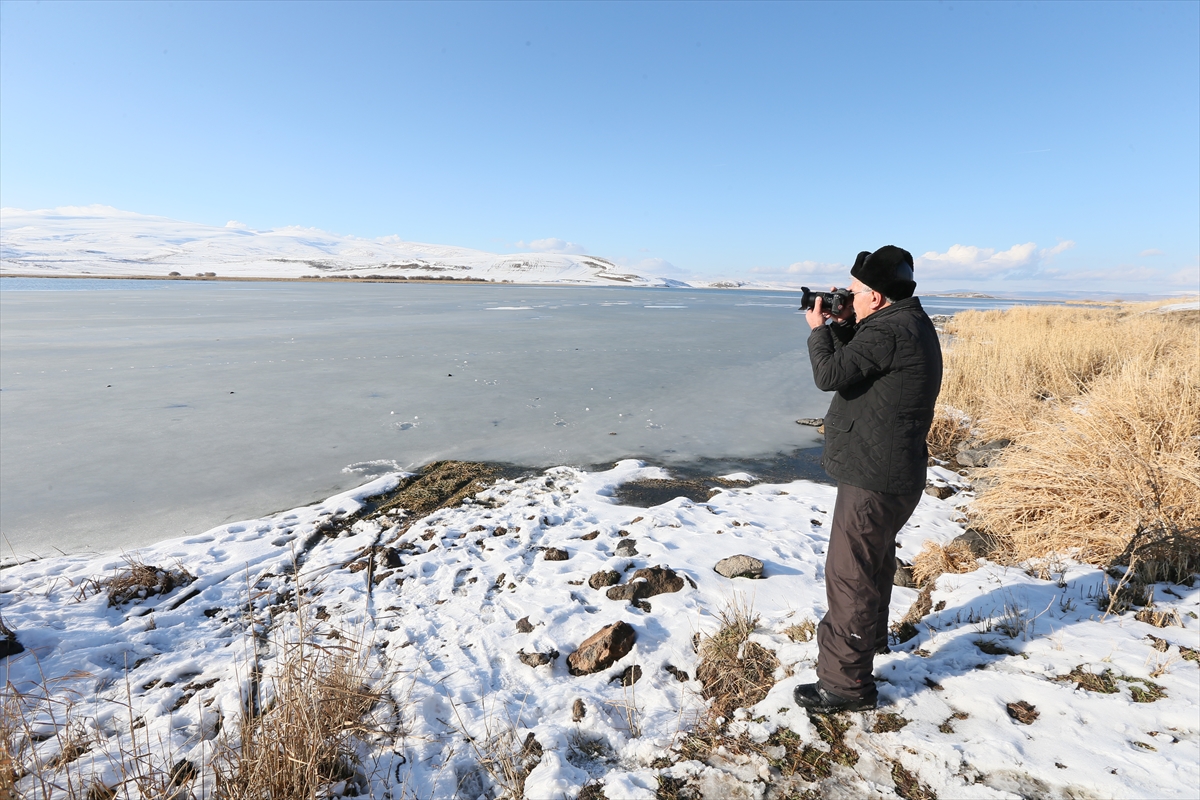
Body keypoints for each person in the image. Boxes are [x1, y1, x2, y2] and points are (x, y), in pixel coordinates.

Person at [794, 245, 943, 713]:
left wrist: (819, 330)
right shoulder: (904, 324)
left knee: (849, 574)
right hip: (894, 470)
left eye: (854, 293)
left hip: (875, 476)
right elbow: (859, 366)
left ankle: (844, 686)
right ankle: (870, 640)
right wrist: (842, 325)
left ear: (876, 297)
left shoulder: (891, 331)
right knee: (873, 562)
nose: (847, 299)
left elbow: (830, 374)